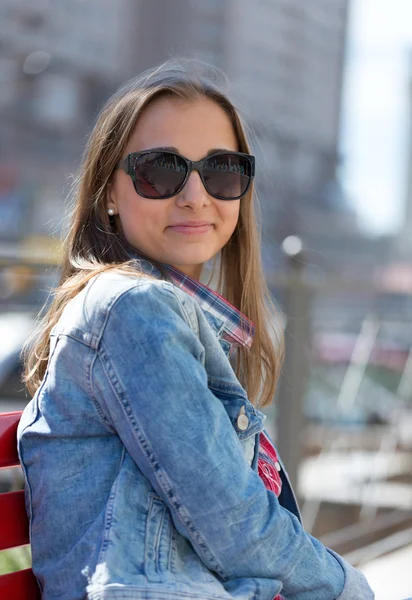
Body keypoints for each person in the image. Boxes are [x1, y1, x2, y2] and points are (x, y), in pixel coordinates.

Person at [17, 58, 374, 600]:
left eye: (221, 170)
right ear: (109, 192)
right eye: (160, 170)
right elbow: (233, 524)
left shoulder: (164, 313)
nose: (194, 195)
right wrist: (352, 588)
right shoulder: (132, 308)